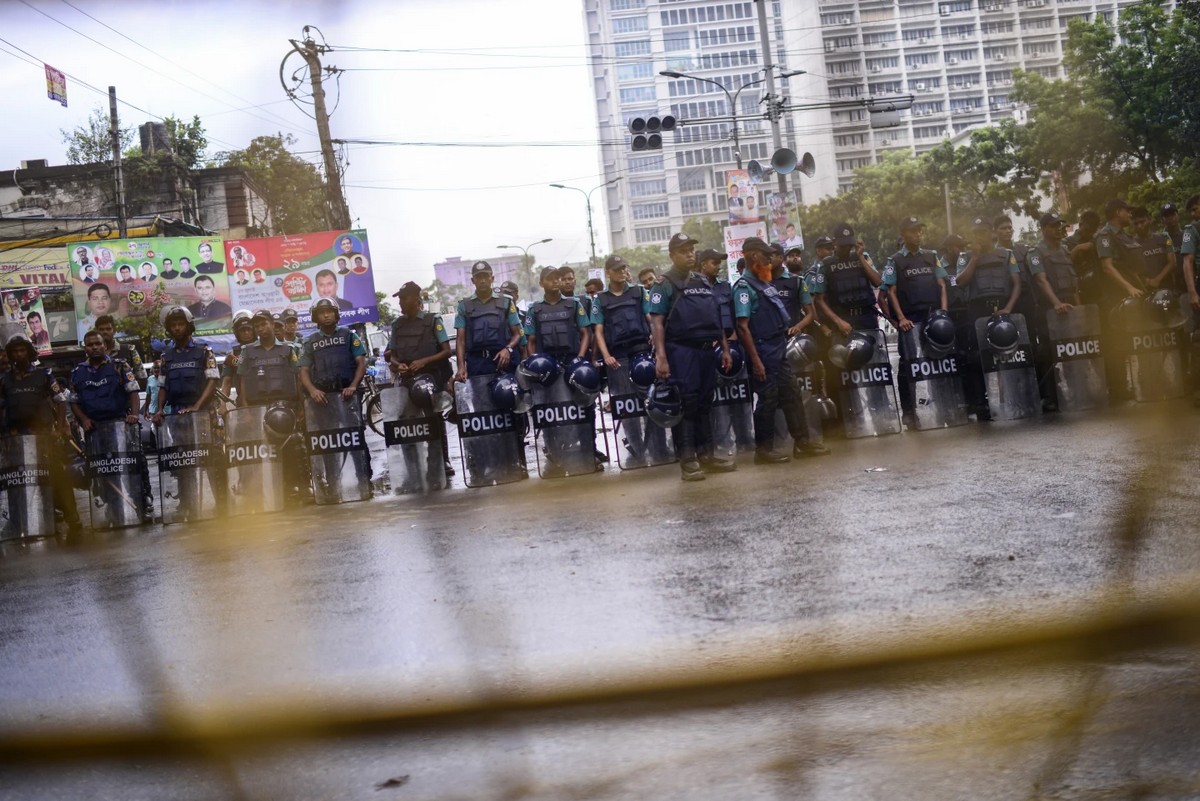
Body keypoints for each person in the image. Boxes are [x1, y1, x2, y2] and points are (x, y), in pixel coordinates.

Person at [648, 232, 734, 481]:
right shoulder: (663, 283)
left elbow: (715, 317)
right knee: (687, 404)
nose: (689, 254)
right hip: (681, 351)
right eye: (683, 251)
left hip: (708, 350)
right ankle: (688, 460)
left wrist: (725, 349)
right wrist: (661, 357)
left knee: (706, 403)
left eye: (691, 250)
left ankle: (706, 456)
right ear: (672, 255)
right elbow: (657, 322)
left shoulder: (702, 281)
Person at [733, 237, 808, 464]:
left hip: (777, 347)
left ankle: (803, 444)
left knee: (792, 393)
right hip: (762, 350)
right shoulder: (744, 288)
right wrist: (756, 361)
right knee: (768, 398)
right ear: (753, 256)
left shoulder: (763, 283)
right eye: (764, 255)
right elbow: (743, 328)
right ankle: (763, 451)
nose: (768, 259)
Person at [0, 336, 82, 535]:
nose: (19, 355)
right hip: (16, 439)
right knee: (21, 480)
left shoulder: (44, 374)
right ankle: (24, 521)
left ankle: (73, 519)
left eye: (22, 350)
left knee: (58, 478)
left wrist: (60, 427)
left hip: (45, 437)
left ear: (29, 352)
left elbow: (60, 399)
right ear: (10, 355)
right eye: (15, 351)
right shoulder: (4, 380)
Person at [68, 330, 149, 524]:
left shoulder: (119, 366)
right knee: (104, 473)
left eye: (97, 344)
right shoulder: (78, 372)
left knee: (133, 467)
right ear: (84, 348)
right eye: (89, 344)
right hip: (95, 432)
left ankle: (143, 506)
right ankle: (114, 511)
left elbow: (133, 392)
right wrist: (84, 419)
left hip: (121, 426)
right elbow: (74, 401)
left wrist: (134, 415)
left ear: (105, 346)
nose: (94, 347)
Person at [883, 217, 950, 425]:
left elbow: (941, 285)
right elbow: (890, 292)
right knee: (909, 366)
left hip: (933, 317)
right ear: (904, 235)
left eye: (920, 231)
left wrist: (944, 313)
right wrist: (900, 318)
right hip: (910, 320)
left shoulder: (931, 256)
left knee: (939, 362)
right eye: (913, 231)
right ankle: (909, 412)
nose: (918, 234)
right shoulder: (894, 260)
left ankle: (944, 407)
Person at [954, 216, 1021, 419]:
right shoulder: (965, 257)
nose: (980, 236)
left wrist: (1008, 308)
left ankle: (1011, 398)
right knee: (976, 358)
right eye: (976, 233)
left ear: (990, 232)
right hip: (977, 311)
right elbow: (960, 281)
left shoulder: (1007, 254)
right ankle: (980, 403)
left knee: (1008, 354)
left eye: (983, 232)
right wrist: (974, 258)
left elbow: (1016, 283)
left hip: (1002, 308)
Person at [387, 281, 455, 476]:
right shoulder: (397, 325)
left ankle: (443, 459)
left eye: (403, 298)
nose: (400, 302)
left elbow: (446, 351)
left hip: (431, 377)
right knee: (408, 422)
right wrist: (396, 363)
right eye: (399, 298)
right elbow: (392, 354)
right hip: (408, 379)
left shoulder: (433, 321)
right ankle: (413, 465)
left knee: (434, 418)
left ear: (415, 299)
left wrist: (424, 361)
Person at [1094, 198, 1147, 402]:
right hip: (1114, 296)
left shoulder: (1124, 235)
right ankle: (1118, 389)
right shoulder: (1104, 236)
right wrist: (1129, 287)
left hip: (1133, 293)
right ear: (1117, 212)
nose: (1130, 214)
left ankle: (1137, 382)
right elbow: (1107, 267)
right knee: (1116, 343)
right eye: (1127, 210)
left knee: (1133, 339)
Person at [1027, 212, 1080, 409]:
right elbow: (1041, 280)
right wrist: (1056, 303)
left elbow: (1074, 282)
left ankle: (1078, 392)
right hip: (1049, 310)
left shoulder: (1065, 250)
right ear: (1043, 229)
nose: (1059, 229)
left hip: (1070, 306)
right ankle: (1051, 398)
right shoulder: (1035, 252)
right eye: (1053, 225)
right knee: (1049, 354)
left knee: (1074, 351)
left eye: (1060, 225)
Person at [454, 261, 523, 382]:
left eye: (486, 276)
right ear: (472, 280)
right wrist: (461, 367)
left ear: (492, 278)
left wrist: (508, 349)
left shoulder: (506, 302)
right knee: (480, 400)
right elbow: (460, 340)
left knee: (509, 398)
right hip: (477, 364)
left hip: (503, 362)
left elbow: (518, 333)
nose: (482, 280)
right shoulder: (464, 306)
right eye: (478, 277)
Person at [811, 223, 883, 337]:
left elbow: (877, 281)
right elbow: (820, 300)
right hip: (842, 320)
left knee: (875, 353)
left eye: (849, 244)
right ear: (834, 242)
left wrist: (860, 257)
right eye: (843, 245)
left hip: (867, 318)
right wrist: (838, 321)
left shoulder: (864, 257)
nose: (847, 248)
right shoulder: (826, 265)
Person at [153, 306, 220, 424]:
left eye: (180, 324)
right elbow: (163, 386)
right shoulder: (166, 357)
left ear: (189, 326)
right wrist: (160, 410)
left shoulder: (205, 351)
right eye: (173, 325)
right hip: (177, 415)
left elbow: (212, 381)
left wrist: (197, 407)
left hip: (203, 412)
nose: (177, 328)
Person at [593, 255, 651, 369]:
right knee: (621, 387)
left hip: (643, 350)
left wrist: (654, 335)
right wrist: (606, 356)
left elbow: (651, 318)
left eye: (623, 268)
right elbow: (598, 332)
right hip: (618, 355)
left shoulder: (639, 291)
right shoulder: (600, 299)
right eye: (617, 270)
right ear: (607, 273)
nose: (622, 272)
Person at [94, 314, 148, 391]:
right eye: (101, 329)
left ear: (114, 330)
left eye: (108, 329)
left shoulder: (129, 350)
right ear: (97, 332)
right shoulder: (93, 354)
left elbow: (142, 378)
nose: (105, 332)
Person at [1131, 205, 1177, 292]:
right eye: (1136, 224)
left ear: (1150, 219)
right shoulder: (1131, 243)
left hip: (1167, 288)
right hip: (1145, 291)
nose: (1140, 226)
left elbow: (1172, 262)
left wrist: (1157, 279)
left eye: (1142, 222)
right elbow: (1131, 269)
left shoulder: (1165, 237)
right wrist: (1146, 281)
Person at [220, 310, 258, 406]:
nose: (246, 333)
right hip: (244, 404)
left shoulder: (264, 348)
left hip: (266, 399)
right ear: (237, 332)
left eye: (248, 329)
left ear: (254, 329)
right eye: (242, 330)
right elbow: (227, 382)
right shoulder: (232, 354)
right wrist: (222, 405)